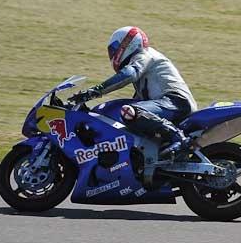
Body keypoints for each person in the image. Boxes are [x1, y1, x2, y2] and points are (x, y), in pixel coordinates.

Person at [69, 26, 198, 158]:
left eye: (114, 49)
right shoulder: (145, 70)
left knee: (131, 112)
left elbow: (129, 74)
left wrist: (94, 91)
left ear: (127, 43)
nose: (112, 54)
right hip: (169, 103)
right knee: (129, 115)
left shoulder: (144, 54)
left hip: (176, 101)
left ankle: (180, 140)